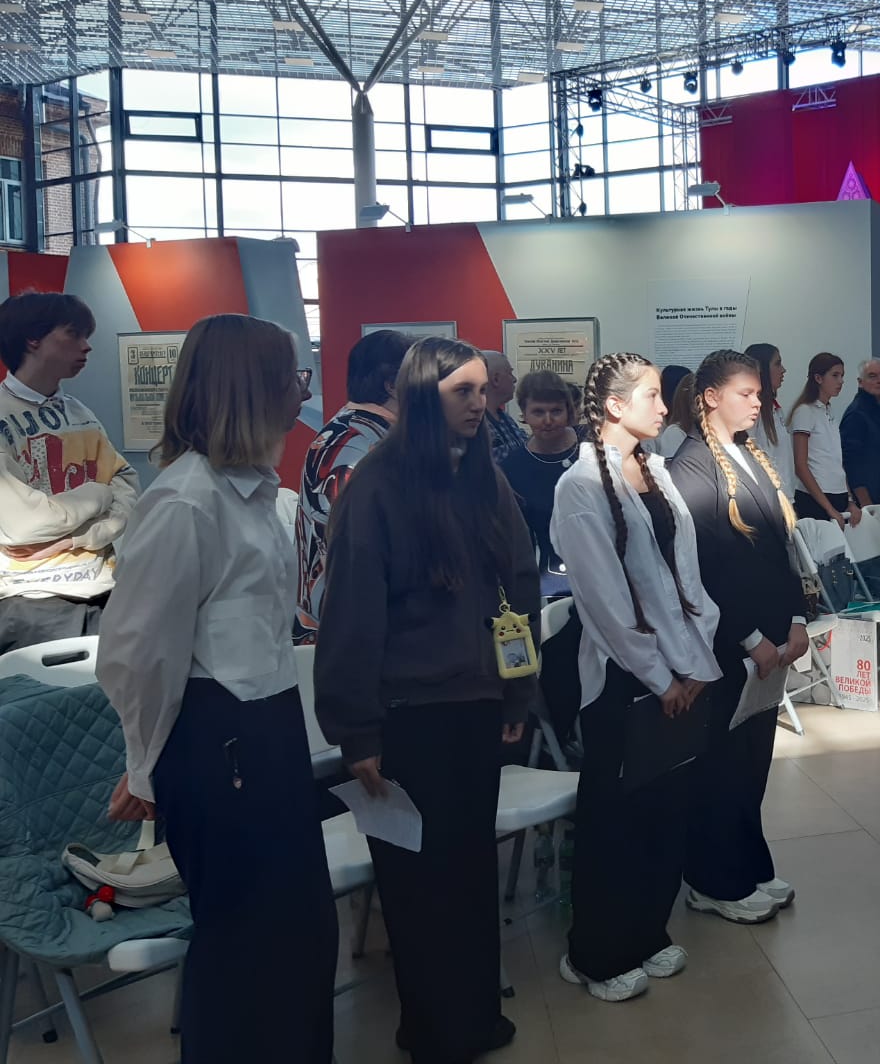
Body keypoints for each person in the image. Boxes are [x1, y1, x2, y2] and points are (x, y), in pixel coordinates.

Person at [96, 313, 336, 1062]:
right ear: (252, 389)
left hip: (268, 732)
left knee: (298, 929)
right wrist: (144, 767)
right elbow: (136, 655)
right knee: (243, 941)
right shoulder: (185, 502)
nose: (302, 392)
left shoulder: (258, 495)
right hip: (217, 744)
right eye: (293, 377)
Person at [316, 337, 537, 1063]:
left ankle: (474, 1019)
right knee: (418, 885)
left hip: (476, 708)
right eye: (461, 392)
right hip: (406, 719)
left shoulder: (482, 478)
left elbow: (518, 588)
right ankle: (435, 1034)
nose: (479, 404)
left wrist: (516, 694)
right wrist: (357, 732)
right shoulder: (377, 485)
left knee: (470, 871)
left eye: (481, 390)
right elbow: (352, 615)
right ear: (420, 396)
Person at [550, 352, 720, 1003]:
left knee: (664, 809)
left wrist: (696, 662)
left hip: (681, 668)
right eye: (651, 394)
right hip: (625, 679)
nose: (663, 405)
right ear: (615, 406)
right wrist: (660, 676)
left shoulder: (655, 470)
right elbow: (605, 602)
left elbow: (687, 575)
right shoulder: (580, 487)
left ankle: (647, 932)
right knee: (614, 820)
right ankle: (595, 953)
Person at [667, 350, 808, 925]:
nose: (759, 402)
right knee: (722, 766)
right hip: (732, 644)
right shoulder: (692, 465)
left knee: (753, 762)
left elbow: (781, 547)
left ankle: (748, 863)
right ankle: (713, 879)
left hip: (771, 637)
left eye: (759, 392)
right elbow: (707, 568)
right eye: (746, 393)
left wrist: (796, 618)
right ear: (710, 397)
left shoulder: (748, 454)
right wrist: (750, 637)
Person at [0, 291, 140, 652]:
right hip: (32, 602)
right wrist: (99, 492)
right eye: (73, 334)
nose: (87, 346)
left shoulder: (79, 412)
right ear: (33, 338)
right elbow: (23, 525)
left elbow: (127, 484)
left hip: (106, 590)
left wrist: (81, 537)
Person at [294, 328, 412, 644]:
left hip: (355, 620)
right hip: (346, 627)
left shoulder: (363, 433)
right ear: (392, 385)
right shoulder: (353, 442)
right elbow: (349, 541)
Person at [501, 369, 581, 599]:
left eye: (556, 411)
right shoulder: (513, 467)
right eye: (538, 412)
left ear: (568, 411)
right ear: (524, 414)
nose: (548, 420)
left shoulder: (591, 447)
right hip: (552, 582)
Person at [789, 352, 860, 527]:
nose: (841, 381)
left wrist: (850, 500)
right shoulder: (805, 411)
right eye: (835, 375)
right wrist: (829, 508)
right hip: (815, 498)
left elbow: (836, 462)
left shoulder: (828, 411)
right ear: (818, 378)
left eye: (842, 376)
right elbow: (800, 465)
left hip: (837, 494)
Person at [840, 357, 880, 509]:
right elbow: (850, 462)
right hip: (867, 499)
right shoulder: (856, 414)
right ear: (860, 382)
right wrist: (864, 501)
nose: (879, 380)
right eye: (872, 376)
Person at [744, 343, 793, 495]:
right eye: (777, 364)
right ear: (761, 369)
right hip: (766, 498)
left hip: (784, 496)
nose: (783, 370)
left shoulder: (775, 409)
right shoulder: (751, 409)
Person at [482, 350, 528, 468]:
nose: (514, 379)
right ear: (496, 379)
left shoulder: (505, 417)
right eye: (510, 373)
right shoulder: (477, 424)